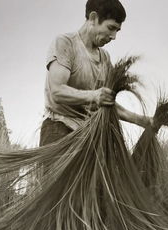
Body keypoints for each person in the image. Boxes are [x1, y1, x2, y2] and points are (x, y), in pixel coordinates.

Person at [40, 0, 152, 146]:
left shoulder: (105, 58)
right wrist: (93, 95)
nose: (113, 36)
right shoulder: (66, 43)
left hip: (88, 135)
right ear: (93, 18)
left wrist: (141, 120)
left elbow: (106, 101)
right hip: (59, 129)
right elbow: (57, 91)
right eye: (111, 28)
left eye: (117, 31)